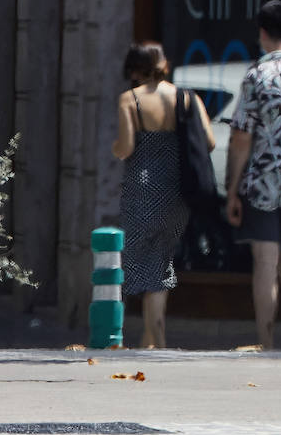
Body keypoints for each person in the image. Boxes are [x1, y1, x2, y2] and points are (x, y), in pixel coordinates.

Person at [113, 41, 215, 348]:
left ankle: (153, 334)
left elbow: (126, 148)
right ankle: (152, 336)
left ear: (134, 69)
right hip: (176, 189)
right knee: (160, 260)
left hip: (142, 188)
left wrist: (115, 149)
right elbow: (208, 141)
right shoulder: (187, 98)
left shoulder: (130, 100)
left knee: (142, 261)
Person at [225, 0, 281, 350]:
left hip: (265, 182)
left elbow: (241, 137)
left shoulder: (256, 75)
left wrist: (232, 189)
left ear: (262, 33)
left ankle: (266, 341)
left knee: (266, 264)